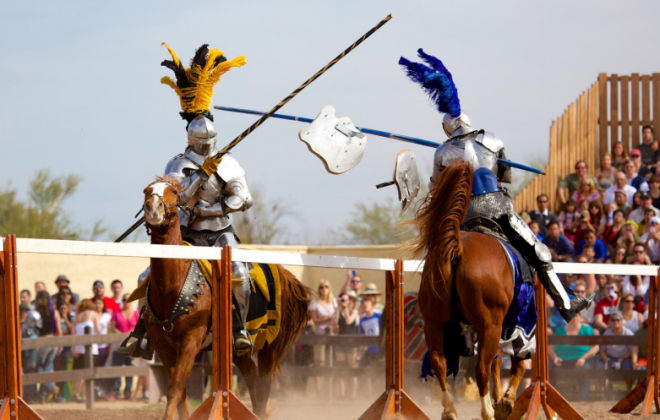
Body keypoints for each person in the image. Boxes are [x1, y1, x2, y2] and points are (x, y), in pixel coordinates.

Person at [402, 49, 593, 322]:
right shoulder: (492, 140)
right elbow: (505, 176)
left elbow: (435, 191)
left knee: (435, 259)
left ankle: (432, 313)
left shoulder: (442, 153)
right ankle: (566, 303)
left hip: (463, 215)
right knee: (538, 251)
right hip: (498, 210)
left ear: (447, 130)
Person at [118, 45, 250, 356]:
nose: (205, 147)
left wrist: (215, 206)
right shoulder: (176, 165)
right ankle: (142, 334)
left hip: (220, 232)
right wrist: (197, 179)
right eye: (200, 142)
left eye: (209, 143)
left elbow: (245, 198)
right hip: (187, 234)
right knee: (147, 276)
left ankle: (239, 330)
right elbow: (171, 199)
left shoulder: (227, 162)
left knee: (240, 276)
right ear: (191, 139)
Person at [548, 311, 598, 401]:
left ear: (580, 317)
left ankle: (581, 398)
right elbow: (549, 347)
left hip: (582, 359)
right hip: (562, 360)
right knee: (550, 369)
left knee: (586, 369)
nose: (574, 318)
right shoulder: (560, 330)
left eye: (577, 316)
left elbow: (595, 347)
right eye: (572, 316)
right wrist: (555, 357)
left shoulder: (587, 330)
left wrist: (583, 358)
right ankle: (554, 398)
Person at [308, 280, 337, 394]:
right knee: (318, 362)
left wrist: (331, 319)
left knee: (331, 363)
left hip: (332, 336)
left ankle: (330, 391)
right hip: (319, 335)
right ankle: (319, 391)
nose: (323, 289)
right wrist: (328, 318)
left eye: (326, 286)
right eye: (321, 287)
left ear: (329, 289)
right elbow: (315, 321)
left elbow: (336, 319)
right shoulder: (315, 302)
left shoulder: (333, 302)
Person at [34, 290, 63, 403]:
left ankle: (51, 387)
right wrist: (60, 343)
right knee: (49, 368)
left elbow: (35, 331)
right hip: (53, 341)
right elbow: (58, 330)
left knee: (40, 367)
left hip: (42, 342)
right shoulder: (54, 312)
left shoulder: (36, 312)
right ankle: (43, 397)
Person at [110, 294, 139, 401]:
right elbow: (112, 327)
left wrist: (128, 335)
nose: (126, 301)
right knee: (117, 367)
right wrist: (122, 336)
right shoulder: (116, 313)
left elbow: (138, 327)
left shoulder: (136, 313)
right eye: (124, 299)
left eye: (128, 299)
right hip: (119, 344)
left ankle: (128, 391)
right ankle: (115, 390)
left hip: (132, 345)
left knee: (130, 367)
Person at [72, 299, 101, 403]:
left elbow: (73, 335)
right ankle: (85, 395)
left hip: (79, 348)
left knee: (80, 373)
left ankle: (76, 393)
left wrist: (73, 349)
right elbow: (98, 329)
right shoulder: (94, 314)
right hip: (91, 348)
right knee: (87, 373)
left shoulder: (76, 318)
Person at [333, 291, 359, 399]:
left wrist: (345, 310)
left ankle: (352, 395)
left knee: (352, 369)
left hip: (351, 343)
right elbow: (334, 324)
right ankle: (342, 394)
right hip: (340, 342)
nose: (347, 302)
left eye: (347, 300)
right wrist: (338, 309)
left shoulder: (355, 311)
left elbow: (348, 321)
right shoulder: (339, 311)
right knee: (341, 368)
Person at [358, 291, 382, 367]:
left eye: (367, 302)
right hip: (370, 350)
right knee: (364, 370)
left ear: (372, 305)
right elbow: (363, 336)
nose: (364, 304)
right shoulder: (362, 320)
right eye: (363, 303)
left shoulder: (379, 316)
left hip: (380, 350)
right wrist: (359, 351)